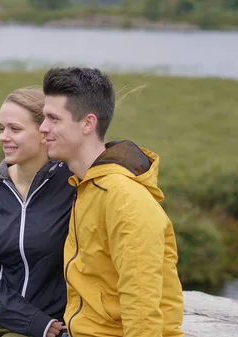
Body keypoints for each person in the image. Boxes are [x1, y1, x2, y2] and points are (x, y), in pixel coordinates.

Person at [38, 67, 184, 337]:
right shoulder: (86, 185)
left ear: (87, 124)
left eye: (53, 119)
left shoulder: (124, 200)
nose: (43, 128)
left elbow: (141, 309)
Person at [0, 87, 75, 337]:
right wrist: (27, 318)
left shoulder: (71, 186)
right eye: (1, 129)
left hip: (50, 321)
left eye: (15, 129)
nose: (3, 137)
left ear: (44, 133)